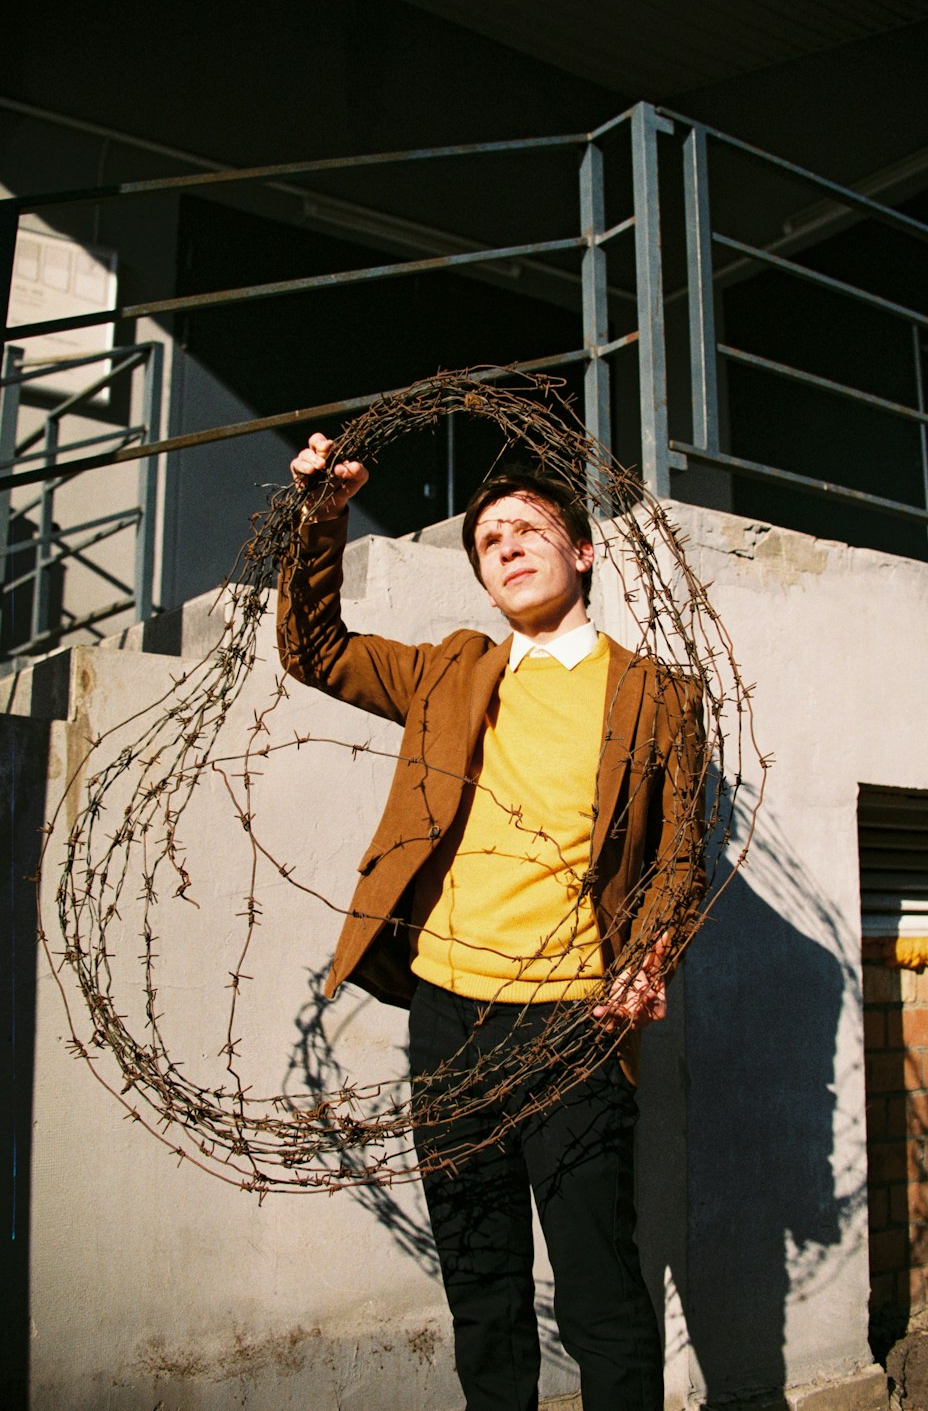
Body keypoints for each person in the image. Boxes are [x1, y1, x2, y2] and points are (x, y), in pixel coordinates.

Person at [278, 434, 706, 1411]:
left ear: (583, 552)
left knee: (601, 1290)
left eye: (527, 528)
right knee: (483, 1288)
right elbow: (315, 649)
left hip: (573, 1027)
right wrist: (324, 516)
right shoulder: (450, 672)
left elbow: (680, 852)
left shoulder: (656, 696)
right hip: (447, 1015)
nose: (504, 545)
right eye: (487, 539)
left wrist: (653, 952)